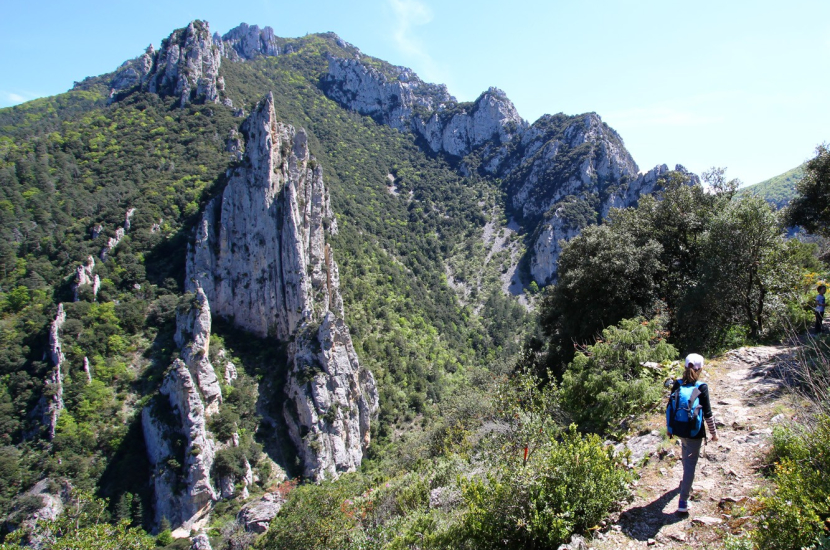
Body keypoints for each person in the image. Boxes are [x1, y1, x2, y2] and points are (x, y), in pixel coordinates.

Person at [667, 353, 718, 514]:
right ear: (700, 368)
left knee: (685, 452)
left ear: (685, 367)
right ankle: (683, 500)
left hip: (679, 429)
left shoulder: (678, 384)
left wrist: (670, 428)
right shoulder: (701, 387)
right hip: (695, 432)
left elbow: (669, 408)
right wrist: (714, 433)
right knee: (690, 464)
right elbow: (708, 413)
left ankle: (684, 483)